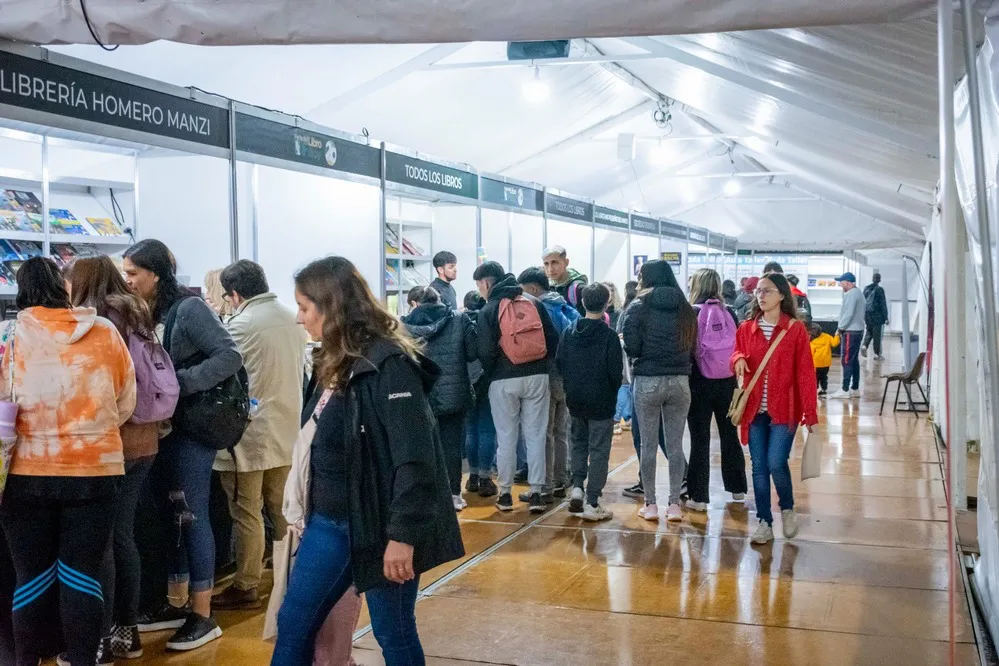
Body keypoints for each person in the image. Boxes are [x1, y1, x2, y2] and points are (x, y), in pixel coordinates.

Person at [272, 256, 464, 666]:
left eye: (304, 307)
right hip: (329, 520)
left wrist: (402, 537)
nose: (299, 318)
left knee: (392, 631)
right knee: (293, 622)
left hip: (379, 524)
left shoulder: (388, 365)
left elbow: (415, 460)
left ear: (331, 306)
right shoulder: (331, 361)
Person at [0, 257, 136, 666]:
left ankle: (26, 661)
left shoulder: (10, 334)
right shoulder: (105, 331)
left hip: (27, 472)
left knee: (32, 575)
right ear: (63, 287)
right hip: (96, 470)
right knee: (82, 574)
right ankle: (83, 660)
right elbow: (126, 400)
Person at [123, 239, 243, 651]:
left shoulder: (189, 309)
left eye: (133, 273)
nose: (128, 280)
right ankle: (175, 603)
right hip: (163, 431)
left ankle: (204, 614)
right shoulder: (143, 311)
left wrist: (176, 386)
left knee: (192, 515)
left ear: (155, 274)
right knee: (172, 515)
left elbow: (229, 356)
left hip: (193, 428)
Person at [65, 256, 161, 662]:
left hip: (113, 443)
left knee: (102, 542)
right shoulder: (137, 310)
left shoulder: (97, 321)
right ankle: (127, 632)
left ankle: (98, 640)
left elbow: (97, 388)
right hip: (146, 440)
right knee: (123, 536)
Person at [211, 260, 307, 611]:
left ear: (234, 294)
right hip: (286, 431)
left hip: (248, 436)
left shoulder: (240, 325)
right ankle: (292, 575)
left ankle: (246, 583)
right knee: (282, 509)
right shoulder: (292, 317)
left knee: (246, 512)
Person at [732, 273, 818, 545]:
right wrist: (738, 358)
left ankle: (788, 507)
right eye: (758, 291)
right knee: (758, 467)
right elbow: (735, 352)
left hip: (784, 410)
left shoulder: (794, 331)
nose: (761, 295)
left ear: (782, 295)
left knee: (775, 462)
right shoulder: (747, 328)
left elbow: (805, 374)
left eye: (767, 291)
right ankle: (764, 521)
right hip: (754, 409)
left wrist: (810, 415)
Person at [474, 261, 559, 513]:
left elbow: (485, 352)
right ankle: (535, 493)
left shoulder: (489, 310)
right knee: (535, 435)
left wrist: (494, 374)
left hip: (503, 379)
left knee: (506, 437)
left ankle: (505, 494)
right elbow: (552, 340)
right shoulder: (533, 303)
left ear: (486, 283)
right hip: (537, 377)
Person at [623, 260, 697, 522]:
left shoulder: (637, 306)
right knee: (675, 445)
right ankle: (675, 505)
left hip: (647, 380)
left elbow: (631, 345)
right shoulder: (686, 307)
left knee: (648, 445)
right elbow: (692, 342)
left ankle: (651, 505)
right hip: (679, 380)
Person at [403, 286, 477, 511]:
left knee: (422, 446)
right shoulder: (459, 319)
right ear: (440, 300)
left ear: (416, 303)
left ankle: (428, 494)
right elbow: (473, 352)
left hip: (420, 394)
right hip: (454, 394)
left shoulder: (404, 326)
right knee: (452, 446)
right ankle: (454, 494)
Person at [556, 283, 622, 522]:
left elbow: (560, 363)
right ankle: (593, 502)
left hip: (575, 399)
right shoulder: (609, 336)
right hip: (602, 401)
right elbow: (616, 373)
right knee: (599, 450)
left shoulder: (569, 332)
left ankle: (576, 487)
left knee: (578, 444)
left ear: (582, 303)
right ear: (607, 304)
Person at [686, 269, 747, 511]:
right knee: (729, 434)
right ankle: (738, 488)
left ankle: (699, 497)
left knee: (700, 439)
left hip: (699, 382)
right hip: (728, 381)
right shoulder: (729, 311)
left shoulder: (692, 313)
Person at [517, 267, 578, 502]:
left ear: (532, 289)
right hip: (568, 375)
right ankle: (562, 480)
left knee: (541, 432)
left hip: (547, 373)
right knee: (561, 430)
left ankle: (544, 485)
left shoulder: (536, 309)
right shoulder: (565, 307)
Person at [462, 291, 497, 498]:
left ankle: (472, 477)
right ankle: (485, 478)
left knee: (470, 430)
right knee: (487, 430)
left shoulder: (459, 321)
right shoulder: (487, 319)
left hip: (466, 381)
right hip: (486, 379)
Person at [830, 271, 865, 399]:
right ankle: (854, 388)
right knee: (853, 360)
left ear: (848, 282)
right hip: (858, 330)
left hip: (850, 331)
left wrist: (840, 328)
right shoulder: (858, 293)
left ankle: (845, 389)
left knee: (846, 360)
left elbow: (848, 314)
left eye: (842, 282)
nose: (840, 284)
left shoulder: (851, 294)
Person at [543, 245, 588, 316]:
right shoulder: (546, 288)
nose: (550, 269)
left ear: (566, 262)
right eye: (546, 264)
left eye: (555, 262)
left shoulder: (578, 289)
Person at [862, 272, 889, 360]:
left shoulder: (866, 289)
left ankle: (864, 346)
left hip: (867, 315)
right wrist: (886, 317)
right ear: (879, 280)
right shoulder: (880, 289)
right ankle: (877, 354)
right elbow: (883, 304)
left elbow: (863, 302)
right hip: (877, 316)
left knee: (869, 331)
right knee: (877, 335)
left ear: (872, 279)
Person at [810, 323, 840, 397]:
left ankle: (815, 390)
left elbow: (810, 353)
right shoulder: (827, 336)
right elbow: (834, 343)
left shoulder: (812, 341)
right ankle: (824, 390)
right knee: (824, 377)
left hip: (815, 363)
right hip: (826, 363)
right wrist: (837, 335)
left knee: (815, 377)